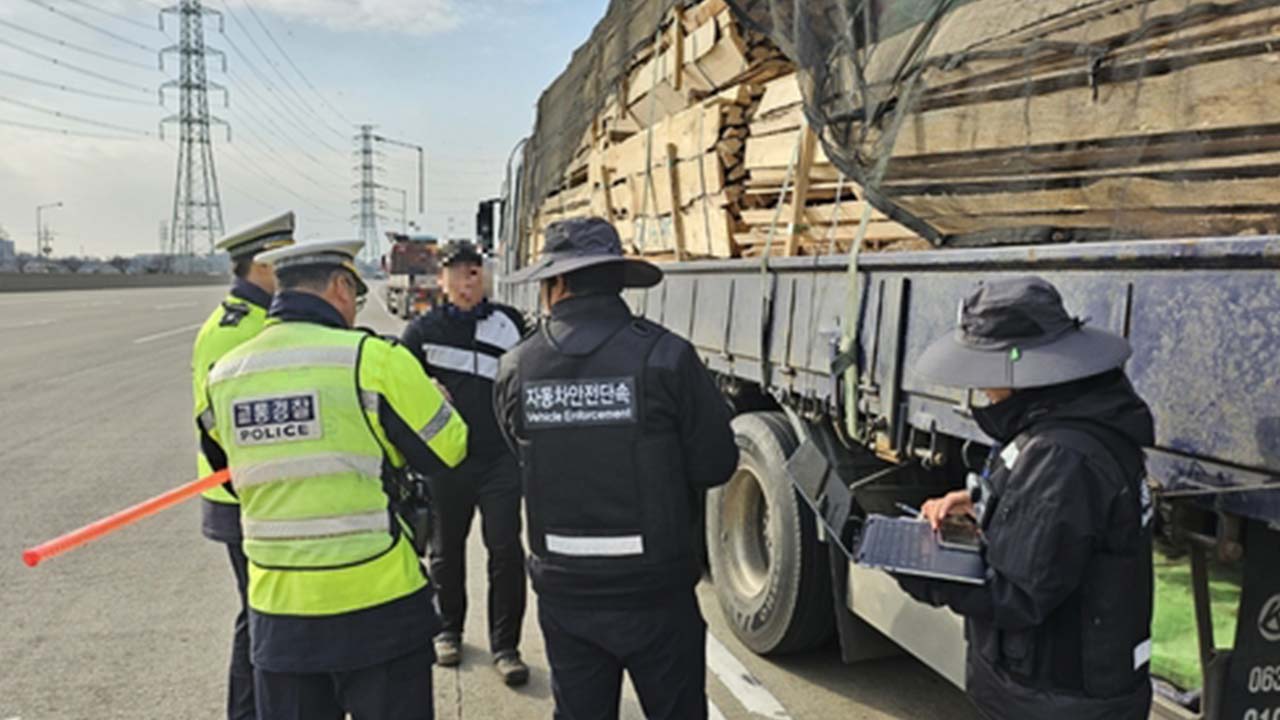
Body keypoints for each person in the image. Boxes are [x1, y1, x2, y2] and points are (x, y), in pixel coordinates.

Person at [197, 239, 468, 720]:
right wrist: (436, 399)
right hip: (378, 606)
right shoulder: (373, 359)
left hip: (279, 614)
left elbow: (230, 474)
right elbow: (447, 450)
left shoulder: (225, 376)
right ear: (342, 287)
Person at [493, 217, 739, 720]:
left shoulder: (518, 367)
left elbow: (520, 451)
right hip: (657, 589)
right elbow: (716, 463)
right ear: (617, 279)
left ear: (555, 284)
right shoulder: (667, 356)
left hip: (565, 589)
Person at [894, 276, 1156, 720]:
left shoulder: (1061, 454)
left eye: (988, 377)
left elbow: (1017, 597)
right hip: (1084, 686)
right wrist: (980, 501)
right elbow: (1059, 527)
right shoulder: (1078, 419)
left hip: (1056, 697)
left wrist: (917, 568)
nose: (985, 393)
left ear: (1022, 372)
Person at [400, 240, 529, 684]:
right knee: (446, 552)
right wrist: (425, 388)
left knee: (506, 551)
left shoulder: (510, 325)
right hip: (447, 463)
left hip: (501, 460)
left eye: (473, 272)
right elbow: (398, 387)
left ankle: (506, 647)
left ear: (484, 277)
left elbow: (533, 373)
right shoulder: (422, 332)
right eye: (456, 274)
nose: (465, 282)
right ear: (442, 280)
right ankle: (448, 631)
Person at [191, 211, 295, 720]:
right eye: (284, 260)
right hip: (241, 496)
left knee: (261, 615)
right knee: (261, 619)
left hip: (248, 493)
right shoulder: (237, 330)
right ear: (261, 267)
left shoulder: (254, 320)